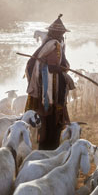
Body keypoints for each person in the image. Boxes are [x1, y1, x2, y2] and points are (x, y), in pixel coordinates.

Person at [24, 14, 75, 150]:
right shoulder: (51, 44)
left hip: (56, 88)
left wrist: (61, 68)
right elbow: (35, 64)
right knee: (46, 119)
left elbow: (63, 63)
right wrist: (51, 68)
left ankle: (52, 145)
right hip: (47, 91)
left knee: (55, 118)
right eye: (60, 32)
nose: (62, 35)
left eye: (62, 33)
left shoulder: (58, 45)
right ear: (54, 33)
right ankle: (45, 147)